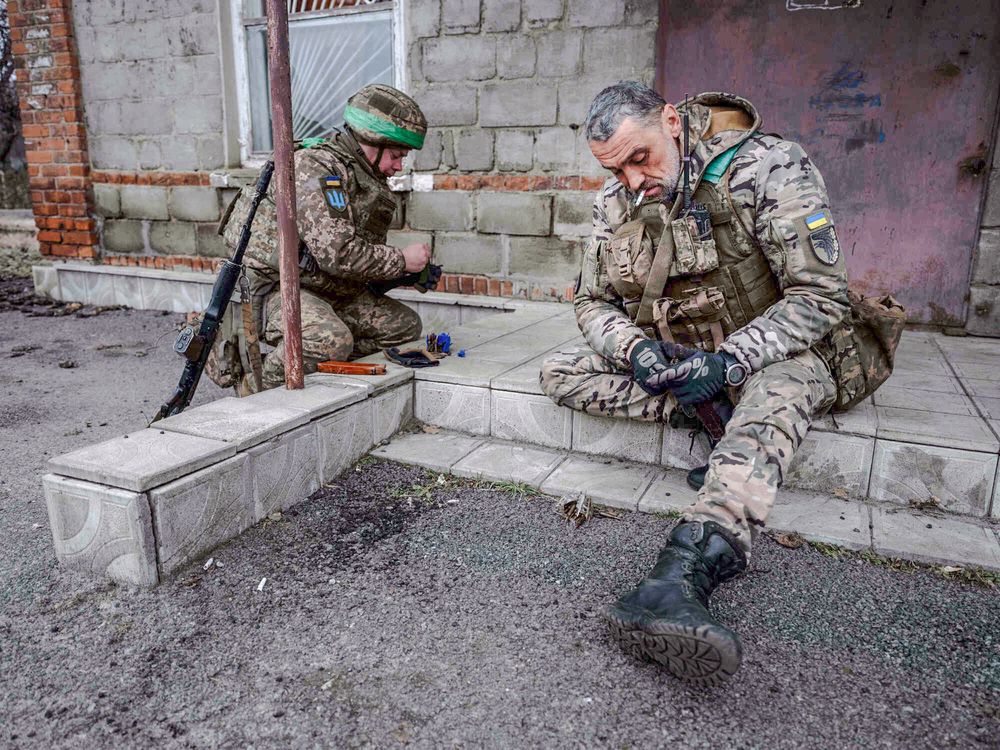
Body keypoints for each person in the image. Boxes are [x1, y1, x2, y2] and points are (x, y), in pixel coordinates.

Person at [540, 82, 854, 686]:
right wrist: (637, 352)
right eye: (616, 168)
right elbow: (590, 302)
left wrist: (733, 360)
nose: (633, 181)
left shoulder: (768, 166)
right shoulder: (617, 200)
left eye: (641, 158)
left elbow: (821, 297)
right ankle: (703, 410)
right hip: (691, 362)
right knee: (559, 372)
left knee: (780, 391)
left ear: (671, 121)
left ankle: (683, 570)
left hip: (779, 354)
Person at [221, 83, 436, 391]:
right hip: (276, 289)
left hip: (325, 286)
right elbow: (340, 254)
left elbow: (352, 256)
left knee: (403, 327)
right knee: (329, 340)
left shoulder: (360, 173)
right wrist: (401, 259)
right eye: (395, 155)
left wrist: (404, 273)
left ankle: (325, 366)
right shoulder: (318, 168)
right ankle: (253, 388)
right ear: (370, 142)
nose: (399, 167)